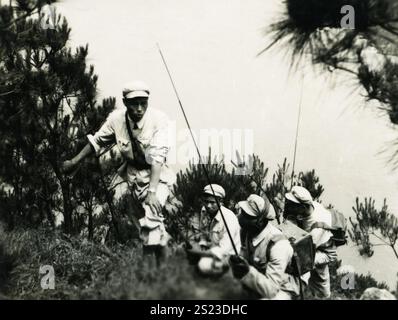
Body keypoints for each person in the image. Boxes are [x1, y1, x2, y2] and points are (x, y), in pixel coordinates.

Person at [61, 80, 175, 261]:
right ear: (125, 103)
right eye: (134, 103)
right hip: (134, 177)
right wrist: (75, 161)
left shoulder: (159, 120)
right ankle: (163, 269)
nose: (139, 108)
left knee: (151, 218)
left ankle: (146, 273)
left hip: (157, 177)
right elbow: (97, 141)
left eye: (143, 103)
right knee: (146, 226)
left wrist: (152, 192)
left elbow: (158, 159)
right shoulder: (116, 119)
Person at [229, 194, 300, 300]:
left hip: (282, 287)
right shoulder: (246, 231)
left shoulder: (278, 245)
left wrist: (247, 271)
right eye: (242, 213)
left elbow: (271, 291)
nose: (240, 218)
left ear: (260, 221)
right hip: (259, 278)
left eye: (247, 216)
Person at [284, 186, 338, 298]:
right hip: (311, 244)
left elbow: (303, 253)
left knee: (304, 268)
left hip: (323, 253)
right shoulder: (310, 207)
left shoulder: (317, 228)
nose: (290, 207)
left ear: (303, 207)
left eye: (294, 206)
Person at [186, 184, 241, 276]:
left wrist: (199, 253)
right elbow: (203, 234)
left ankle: (225, 273)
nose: (208, 205)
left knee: (203, 265)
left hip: (229, 254)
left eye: (212, 202)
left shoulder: (229, 218)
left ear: (220, 201)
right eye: (206, 201)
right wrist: (201, 245)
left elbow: (224, 249)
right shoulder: (204, 210)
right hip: (212, 247)